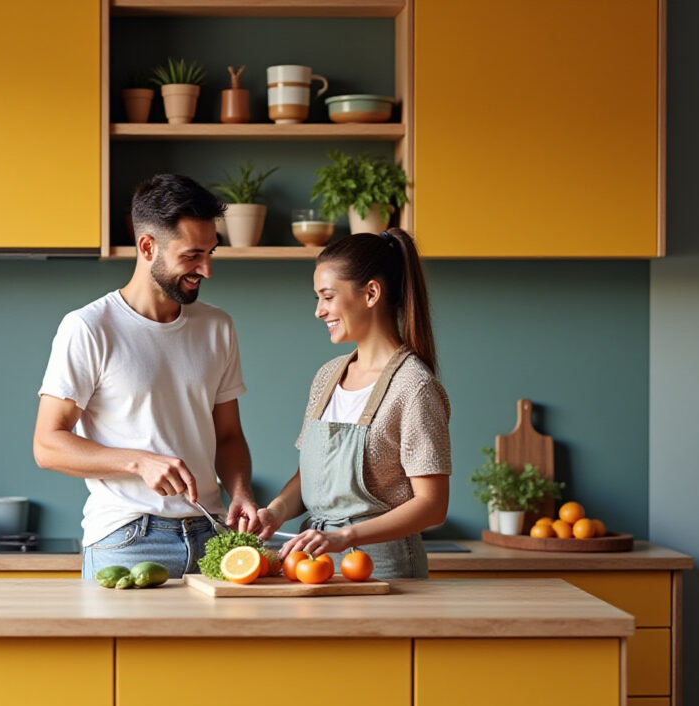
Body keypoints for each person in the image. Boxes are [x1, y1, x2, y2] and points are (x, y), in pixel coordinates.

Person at [34, 174, 276, 580]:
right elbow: (47, 444)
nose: (207, 269)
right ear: (148, 247)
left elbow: (229, 435)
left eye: (211, 253)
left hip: (211, 534)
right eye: (193, 255)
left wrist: (241, 493)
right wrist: (138, 462)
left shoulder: (218, 326)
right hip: (128, 538)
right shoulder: (90, 328)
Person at [262, 228, 451, 578]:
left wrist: (344, 536)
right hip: (314, 566)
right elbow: (312, 477)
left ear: (371, 293)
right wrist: (274, 512)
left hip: (383, 572)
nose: (319, 311)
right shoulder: (327, 376)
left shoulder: (414, 386)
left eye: (328, 297)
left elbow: (432, 506)